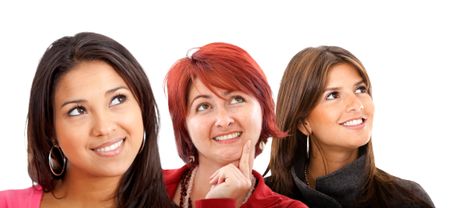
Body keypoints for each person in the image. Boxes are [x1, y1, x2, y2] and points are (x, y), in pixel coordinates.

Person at [0, 32, 175, 207]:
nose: (104, 127)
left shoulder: (183, 194)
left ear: (142, 104)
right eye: (77, 111)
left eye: (117, 99)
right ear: (50, 130)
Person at [265, 46, 434, 207]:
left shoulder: (408, 199)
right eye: (333, 95)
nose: (356, 104)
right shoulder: (263, 198)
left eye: (360, 89)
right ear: (303, 123)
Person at [164, 42, 308, 208]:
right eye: (204, 106)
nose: (224, 121)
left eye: (236, 99)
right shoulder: (140, 186)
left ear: (263, 108)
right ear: (184, 124)